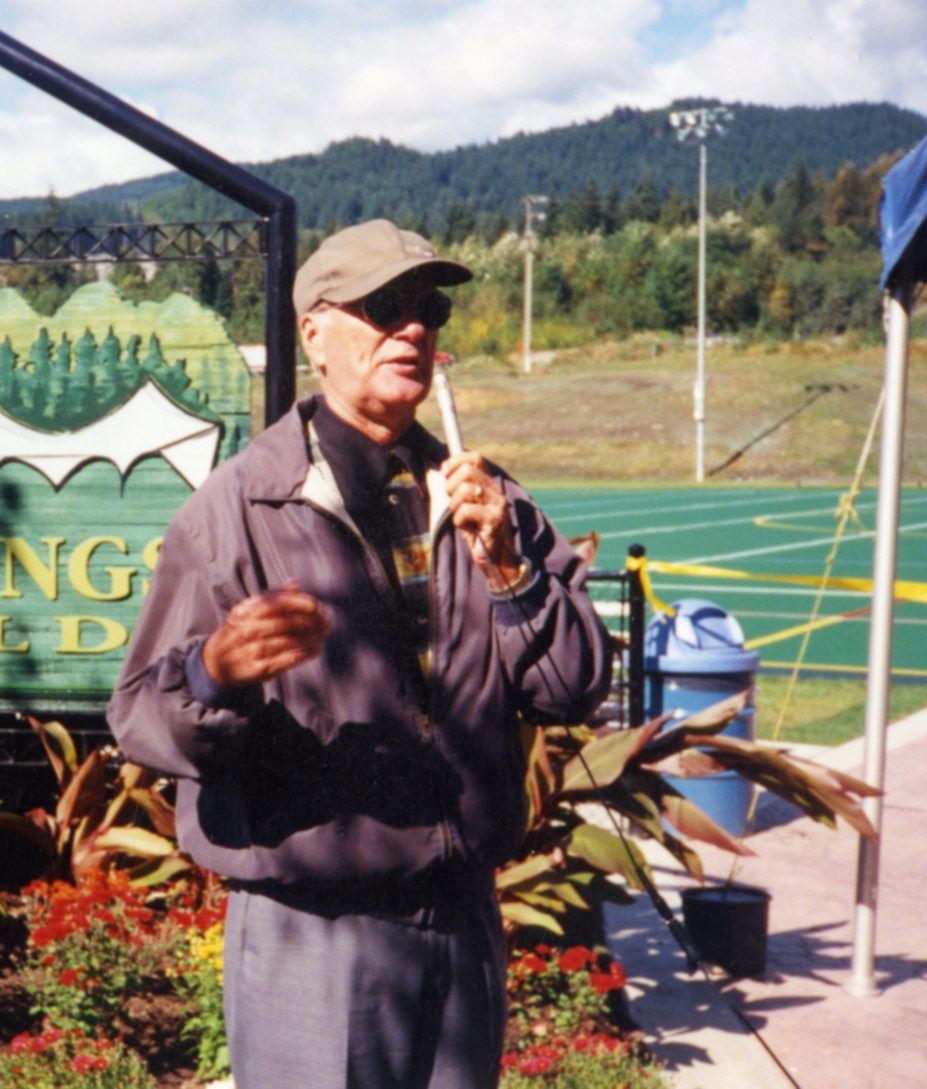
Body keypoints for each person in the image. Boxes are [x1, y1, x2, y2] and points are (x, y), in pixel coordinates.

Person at [107, 219, 613, 1089]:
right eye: (384, 308)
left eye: (428, 309)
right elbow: (141, 719)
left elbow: (572, 687)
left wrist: (509, 571)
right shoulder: (239, 510)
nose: (412, 329)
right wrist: (212, 673)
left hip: (462, 921)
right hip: (316, 934)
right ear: (315, 333)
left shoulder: (483, 497)